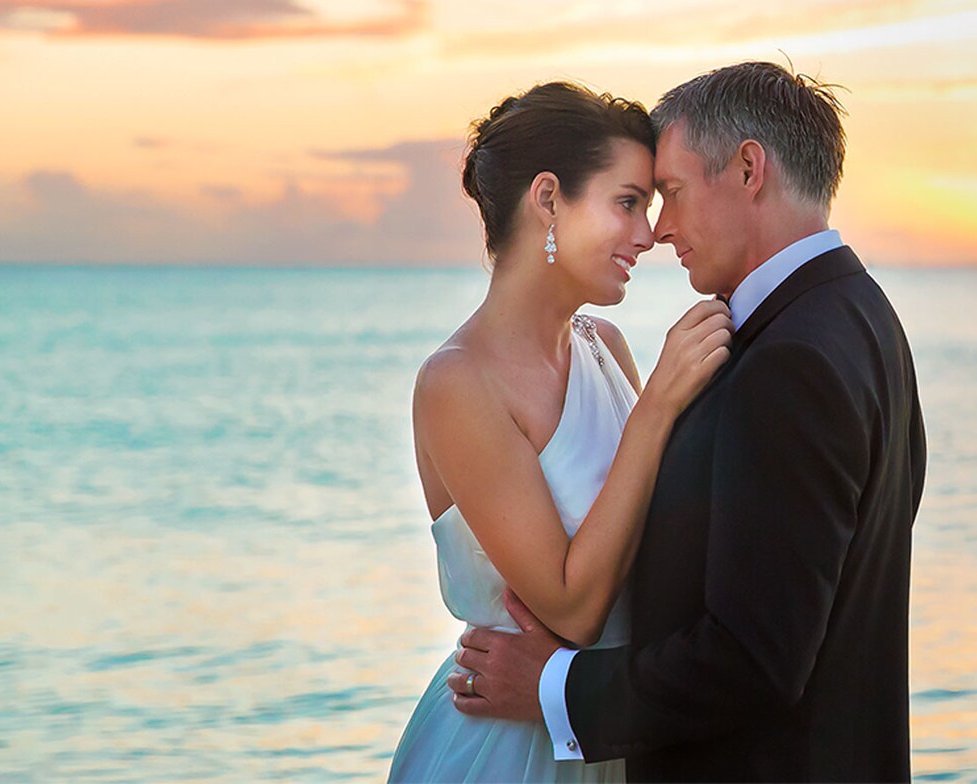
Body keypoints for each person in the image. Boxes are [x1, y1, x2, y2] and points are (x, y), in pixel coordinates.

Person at [450, 61, 927, 782]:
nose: (661, 231)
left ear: (747, 170)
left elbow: (753, 657)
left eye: (669, 193)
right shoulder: (863, 318)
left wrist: (556, 688)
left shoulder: (787, 364)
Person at [385, 80, 732, 783]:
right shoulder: (459, 382)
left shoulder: (604, 345)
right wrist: (658, 408)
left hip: (603, 733)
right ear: (548, 200)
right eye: (627, 203)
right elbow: (572, 607)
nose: (648, 235)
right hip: (507, 753)